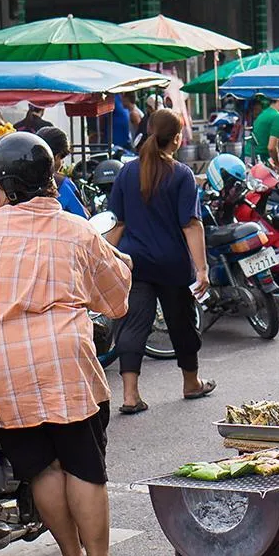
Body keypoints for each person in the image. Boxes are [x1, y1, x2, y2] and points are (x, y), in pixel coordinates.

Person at [0, 132, 134, 556]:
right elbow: (116, 302)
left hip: (5, 367)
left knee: (44, 469)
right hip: (65, 363)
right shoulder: (77, 229)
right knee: (84, 467)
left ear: (7, 187)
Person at [106, 110, 213, 414]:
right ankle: (191, 383)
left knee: (133, 326)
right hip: (172, 265)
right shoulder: (181, 174)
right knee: (181, 325)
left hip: (134, 263)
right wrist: (202, 268)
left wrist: (101, 261)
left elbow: (117, 224)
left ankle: (129, 396)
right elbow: (191, 225)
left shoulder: (127, 172)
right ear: (177, 138)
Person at [0, 125, 88, 218]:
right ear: (52, 158)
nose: (62, 163)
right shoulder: (64, 185)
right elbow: (82, 217)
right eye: (61, 157)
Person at [248, 93, 279, 166]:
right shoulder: (277, 117)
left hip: (251, 155)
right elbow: (271, 148)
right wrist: (277, 164)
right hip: (257, 159)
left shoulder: (265, 112)